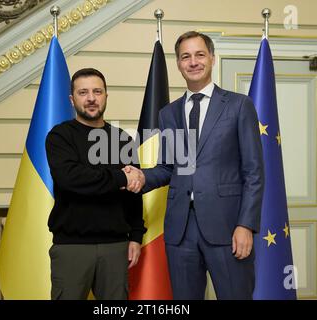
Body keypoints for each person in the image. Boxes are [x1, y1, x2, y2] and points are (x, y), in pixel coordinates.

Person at [125, 31, 264, 299]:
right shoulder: (169, 113)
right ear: (178, 63)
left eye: (199, 54)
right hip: (180, 231)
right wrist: (141, 177)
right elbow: (168, 168)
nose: (193, 62)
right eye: (185, 56)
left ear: (212, 58)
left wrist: (245, 225)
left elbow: (254, 172)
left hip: (227, 228)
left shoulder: (238, 106)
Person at [45, 68, 146, 300]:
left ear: (106, 96)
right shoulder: (60, 136)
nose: (91, 98)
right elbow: (72, 179)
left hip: (116, 246)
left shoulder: (122, 139)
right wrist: (120, 177)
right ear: (72, 99)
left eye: (97, 91)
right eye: (83, 92)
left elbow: (133, 194)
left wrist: (136, 237)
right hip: (72, 247)